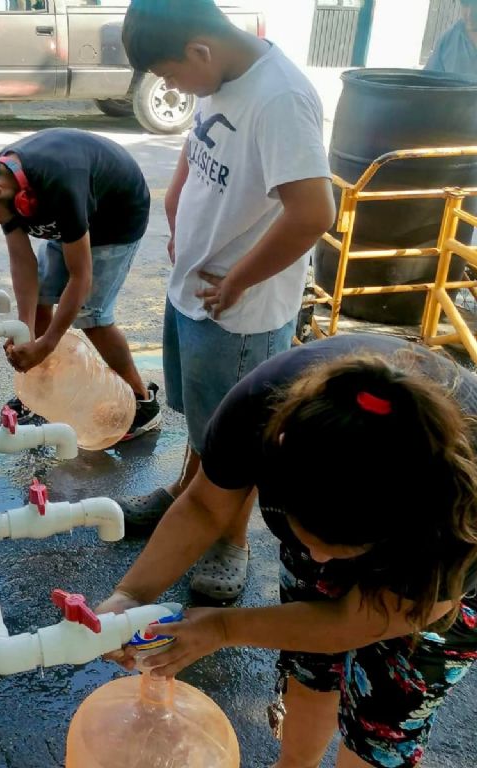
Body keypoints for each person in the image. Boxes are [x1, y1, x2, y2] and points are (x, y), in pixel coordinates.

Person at [98, 332, 477, 768]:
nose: (317, 562)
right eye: (307, 539)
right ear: (276, 461)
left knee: (383, 725)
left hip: (436, 580)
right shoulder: (260, 411)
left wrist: (221, 629)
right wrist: (131, 594)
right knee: (311, 666)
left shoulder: (454, 508)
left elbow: (363, 622)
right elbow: (205, 504)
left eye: (337, 550)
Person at [117, 0, 335, 601]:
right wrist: (176, 200)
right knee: (203, 421)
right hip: (194, 288)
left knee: (235, 438)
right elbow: (201, 141)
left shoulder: (281, 98)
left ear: (199, 52)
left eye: (169, 74)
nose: (170, 87)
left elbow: (314, 212)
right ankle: (186, 497)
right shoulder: (221, 76)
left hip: (237, 312)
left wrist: (238, 278)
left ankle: (228, 542)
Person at [0, 128, 160, 441]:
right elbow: (23, 264)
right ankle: (41, 391)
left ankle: (142, 402)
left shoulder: (59, 182)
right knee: (40, 302)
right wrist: (24, 332)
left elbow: (81, 276)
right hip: (69, 217)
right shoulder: (4, 184)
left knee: (93, 317)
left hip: (116, 216)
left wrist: (47, 343)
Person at [425, 0, 477, 77]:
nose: (469, 14)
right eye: (465, 4)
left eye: (475, 5)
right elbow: (428, 82)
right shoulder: (447, 41)